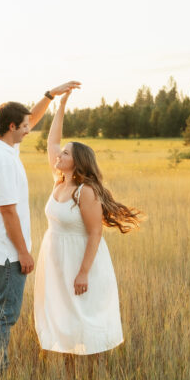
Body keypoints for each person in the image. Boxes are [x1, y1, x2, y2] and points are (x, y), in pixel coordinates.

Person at [0, 81, 82, 374]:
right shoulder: (2, 160)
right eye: (24, 126)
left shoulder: (3, 145)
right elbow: (8, 211)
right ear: (12, 127)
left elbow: (32, 119)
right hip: (9, 250)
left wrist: (51, 95)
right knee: (4, 314)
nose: (30, 129)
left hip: (2, 245)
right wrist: (24, 254)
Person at [33, 89, 141, 357]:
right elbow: (51, 142)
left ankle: (91, 377)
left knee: (84, 318)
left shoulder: (86, 191)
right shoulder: (59, 181)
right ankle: (70, 374)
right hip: (57, 258)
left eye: (66, 154)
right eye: (61, 153)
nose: (59, 156)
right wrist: (61, 105)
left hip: (80, 260)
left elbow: (95, 234)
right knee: (63, 316)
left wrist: (83, 273)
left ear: (77, 162)